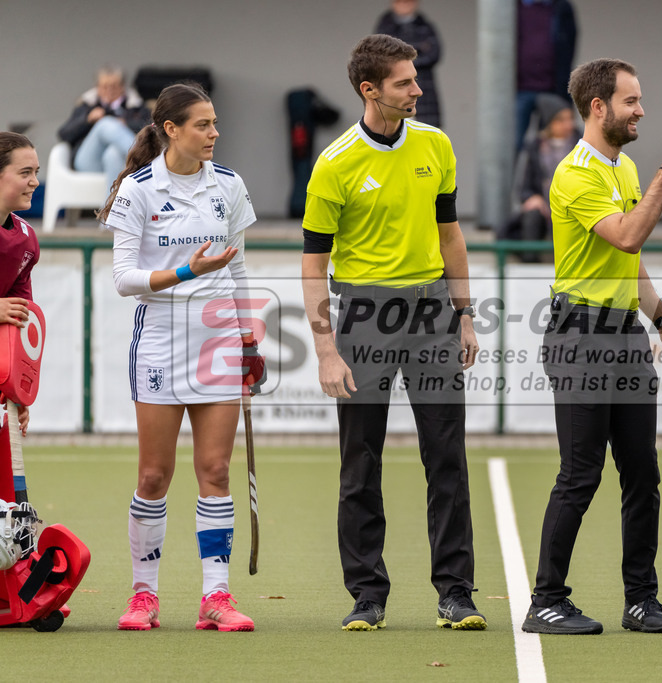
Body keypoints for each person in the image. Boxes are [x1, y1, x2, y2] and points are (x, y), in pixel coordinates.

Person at [300, 34, 485, 632]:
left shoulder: (436, 144)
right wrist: (326, 348)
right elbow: (313, 264)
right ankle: (367, 596)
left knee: (446, 458)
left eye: (415, 79)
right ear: (370, 89)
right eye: (405, 82)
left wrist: (464, 313)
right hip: (361, 316)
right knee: (360, 463)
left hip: (431, 310)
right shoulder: (333, 164)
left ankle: (456, 594)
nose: (417, 90)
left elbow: (451, 233)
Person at [520, 58, 662, 636]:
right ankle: (546, 599)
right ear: (599, 108)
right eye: (631, 101)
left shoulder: (622, 168)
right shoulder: (576, 174)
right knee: (581, 473)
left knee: (642, 472)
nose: (641, 109)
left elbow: (630, 259)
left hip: (624, 333)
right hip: (580, 335)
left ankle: (641, 601)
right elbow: (628, 233)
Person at [98, 83, 264, 632]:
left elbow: (237, 269)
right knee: (154, 476)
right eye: (202, 125)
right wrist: (188, 272)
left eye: (215, 123)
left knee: (215, 470)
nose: (214, 133)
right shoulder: (138, 190)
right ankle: (144, 595)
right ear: (171, 129)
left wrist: (249, 339)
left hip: (218, 342)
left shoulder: (230, 185)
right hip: (161, 342)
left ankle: (215, 598)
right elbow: (124, 280)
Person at [499, 93, 580, 262]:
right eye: (561, 120)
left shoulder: (581, 144)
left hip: (575, 203)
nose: (568, 124)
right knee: (531, 215)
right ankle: (530, 264)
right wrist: (533, 198)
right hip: (545, 208)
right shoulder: (535, 146)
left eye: (570, 118)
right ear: (548, 122)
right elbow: (523, 188)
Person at [0, 133, 40, 438]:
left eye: (36, 173)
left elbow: (18, 326)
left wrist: (14, 390)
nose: (35, 182)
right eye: (25, 173)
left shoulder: (26, 239)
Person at [58, 65, 151, 190]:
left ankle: (110, 208)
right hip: (88, 162)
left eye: (114, 86)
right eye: (104, 86)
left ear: (123, 87)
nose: (109, 90)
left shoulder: (136, 106)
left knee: (113, 154)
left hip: (123, 163)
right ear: (97, 88)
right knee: (106, 123)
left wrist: (126, 124)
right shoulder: (86, 106)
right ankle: (148, 160)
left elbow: (151, 129)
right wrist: (87, 120)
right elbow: (64, 134)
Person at [515, 0, 577, 152]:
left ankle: (553, 177)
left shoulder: (561, 7)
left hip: (553, 89)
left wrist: (565, 87)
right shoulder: (513, 7)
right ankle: (510, 177)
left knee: (554, 146)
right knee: (513, 144)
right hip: (519, 89)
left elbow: (569, 45)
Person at [375, 0, 444, 127]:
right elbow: (382, 58)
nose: (405, 4)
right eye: (400, 1)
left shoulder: (426, 27)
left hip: (424, 92)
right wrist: (419, 50)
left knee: (427, 134)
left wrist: (401, 59)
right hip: (394, 92)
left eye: (409, 1)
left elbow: (434, 54)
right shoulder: (384, 28)